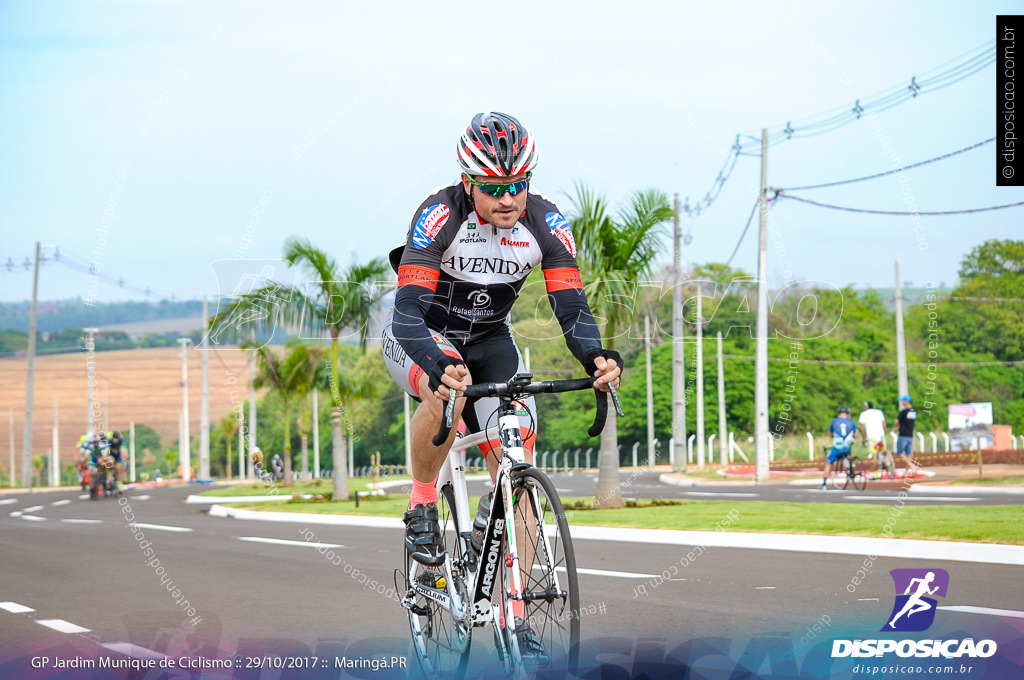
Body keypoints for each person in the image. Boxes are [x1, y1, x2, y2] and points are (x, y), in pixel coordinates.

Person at [383, 111, 621, 663]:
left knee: (515, 437)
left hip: (490, 337)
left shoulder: (546, 221)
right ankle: (422, 506)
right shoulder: (440, 213)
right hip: (423, 332)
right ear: (469, 181)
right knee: (447, 391)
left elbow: (571, 306)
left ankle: (516, 612)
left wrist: (596, 355)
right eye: (494, 189)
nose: (508, 199)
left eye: (518, 185)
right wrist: (436, 363)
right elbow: (408, 313)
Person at [823, 405, 858, 489]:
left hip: (837, 447)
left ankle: (823, 484)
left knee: (828, 462)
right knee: (848, 455)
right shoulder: (851, 422)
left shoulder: (834, 421)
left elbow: (830, 433)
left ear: (839, 414)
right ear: (847, 414)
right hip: (847, 447)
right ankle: (850, 469)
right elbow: (856, 435)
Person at [895, 395, 918, 476]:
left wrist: (898, 426)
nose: (902, 402)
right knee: (908, 454)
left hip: (903, 435)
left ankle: (912, 467)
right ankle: (907, 472)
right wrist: (898, 428)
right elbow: (907, 422)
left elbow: (896, 421)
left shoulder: (904, 411)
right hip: (910, 434)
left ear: (906, 401)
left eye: (903, 401)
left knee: (900, 452)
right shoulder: (914, 411)